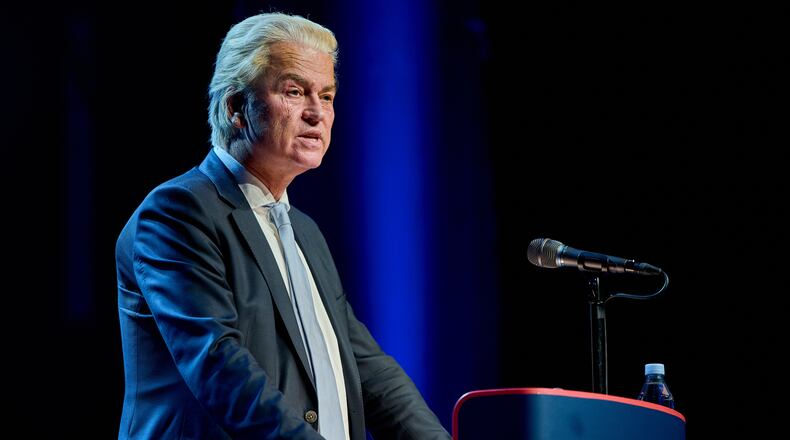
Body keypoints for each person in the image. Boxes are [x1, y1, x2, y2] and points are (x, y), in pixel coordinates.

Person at [115, 12, 450, 440]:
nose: (317, 113)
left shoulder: (303, 230)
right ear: (237, 107)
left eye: (326, 96)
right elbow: (220, 365)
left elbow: (367, 368)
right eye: (295, 91)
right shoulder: (178, 212)